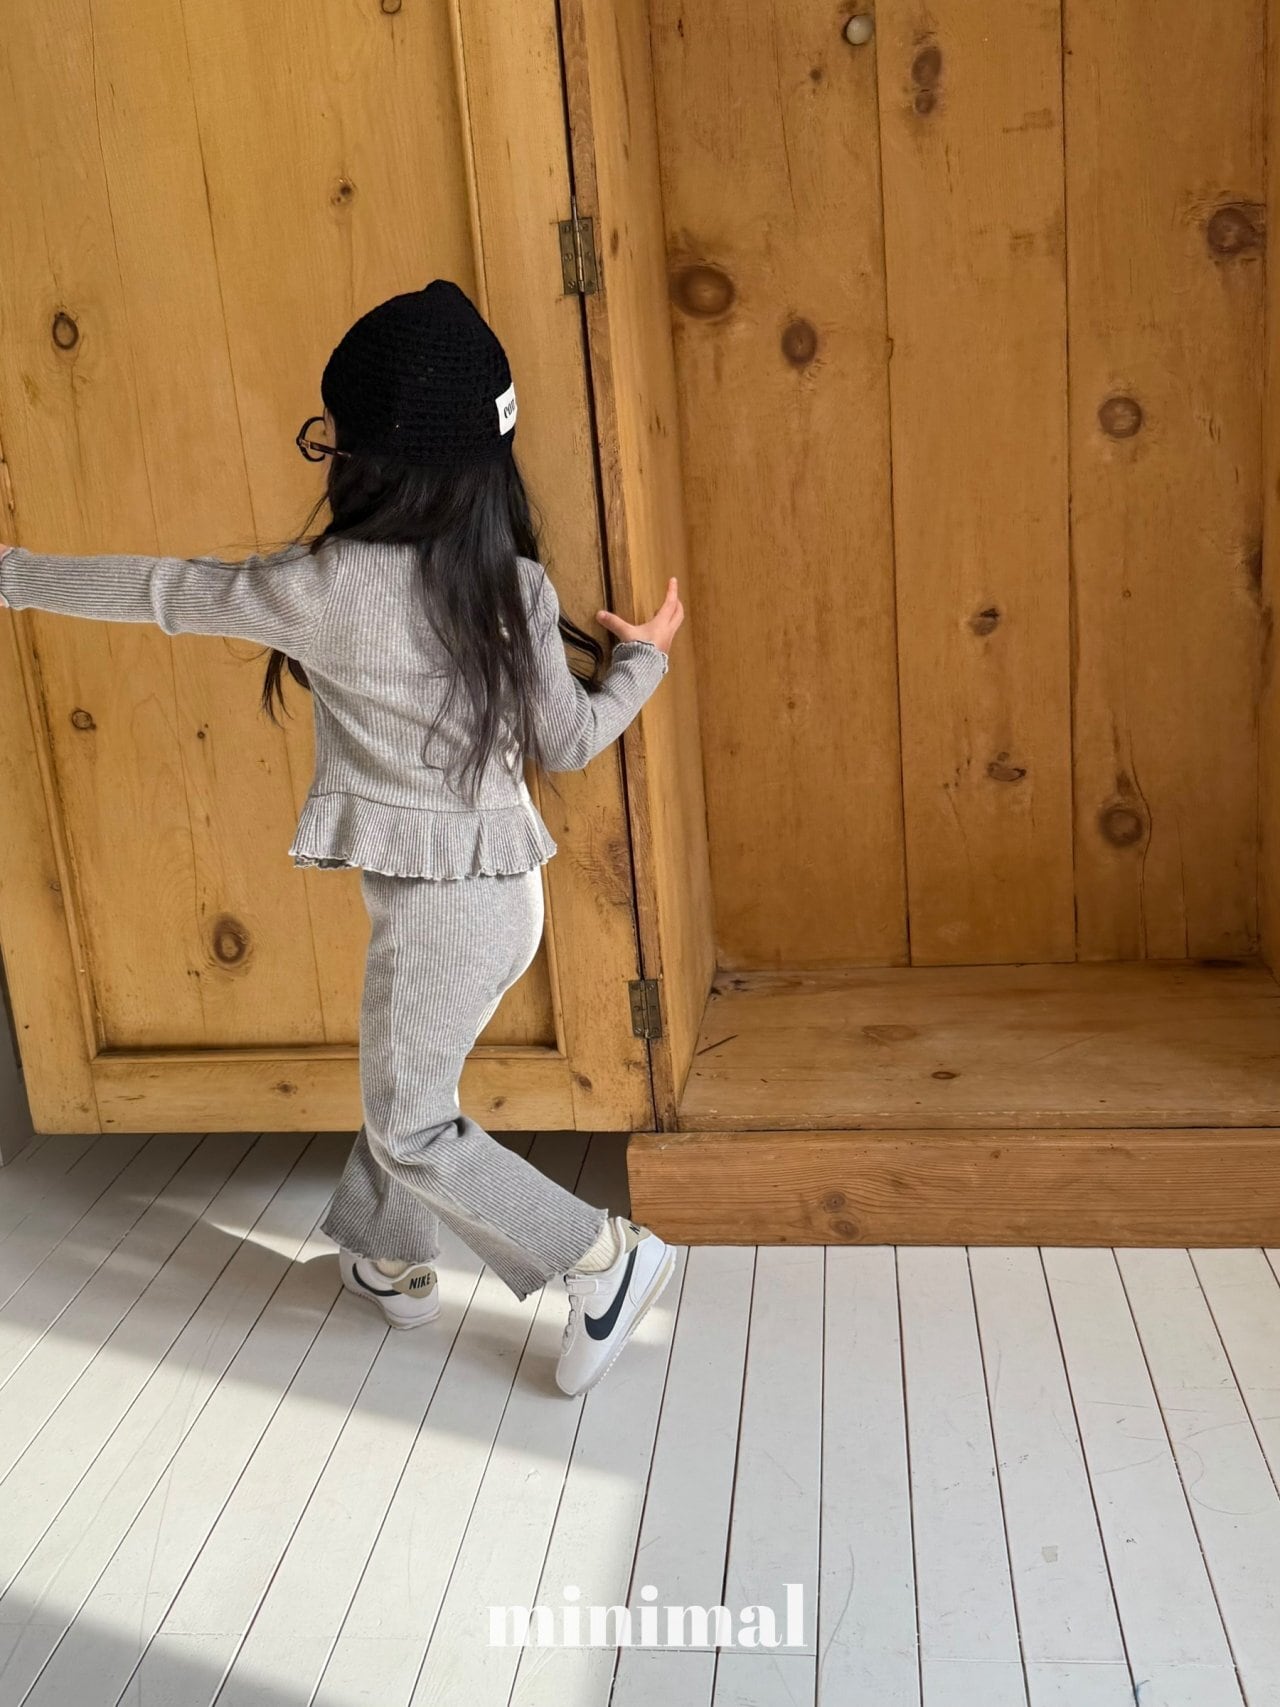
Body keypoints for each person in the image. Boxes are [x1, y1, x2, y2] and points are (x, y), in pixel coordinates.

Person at [0, 279, 683, 1396]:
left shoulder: (315, 589)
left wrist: (12, 577)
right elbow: (569, 742)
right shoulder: (513, 584)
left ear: (361, 459)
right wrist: (642, 659)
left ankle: (601, 1262)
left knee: (413, 1122)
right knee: (401, 1083)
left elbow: (163, 591)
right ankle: (387, 1256)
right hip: (502, 899)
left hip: (440, 911)